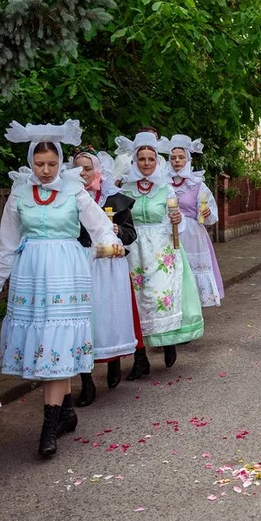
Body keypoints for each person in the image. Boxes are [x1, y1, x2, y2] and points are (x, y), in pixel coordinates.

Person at [0, 120, 121, 458]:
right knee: (43, 345)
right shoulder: (19, 192)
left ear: (60, 162)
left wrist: (112, 242)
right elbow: (7, 241)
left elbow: (99, 224)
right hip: (30, 272)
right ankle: (65, 413)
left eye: (51, 164)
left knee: (57, 343)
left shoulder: (73, 189)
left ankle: (49, 428)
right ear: (31, 162)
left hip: (66, 271)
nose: (46, 171)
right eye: (39, 164)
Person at [116, 131, 205, 378]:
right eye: (141, 159)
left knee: (159, 298)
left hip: (161, 249)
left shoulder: (165, 188)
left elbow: (175, 221)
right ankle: (140, 358)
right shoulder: (125, 188)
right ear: (135, 161)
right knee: (136, 302)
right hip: (133, 250)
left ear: (157, 162)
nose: (146, 163)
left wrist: (176, 220)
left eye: (151, 159)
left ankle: (167, 342)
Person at [71, 147, 138, 407]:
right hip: (79, 263)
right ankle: (86, 381)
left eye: (88, 168)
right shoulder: (67, 197)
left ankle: (113, 360)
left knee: (108, 316)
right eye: (78, 168)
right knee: (83, 320)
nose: (83, 174)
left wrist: (116, 230)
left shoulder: (113, 198)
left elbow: (131, 234)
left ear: (98, 171)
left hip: (109, 265)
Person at [166, 135, 224, 307]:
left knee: (191, 269)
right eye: (173, 158)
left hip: (192, 234)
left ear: (188, 159)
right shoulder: (162, 184)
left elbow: (211, 214)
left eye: (181, 157)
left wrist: (206, 212)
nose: (177, 161)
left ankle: (194, 306)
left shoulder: (197, 184)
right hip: (168, 233)